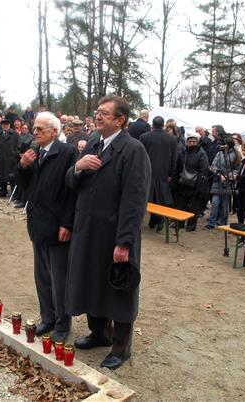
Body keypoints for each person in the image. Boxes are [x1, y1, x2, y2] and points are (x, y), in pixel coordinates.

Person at [65, 95, 151, 370]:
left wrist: (124, 242)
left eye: (104, 113)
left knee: (118, 289)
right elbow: (71, 184)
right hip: (88, 230)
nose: (98, 116)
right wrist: (78, 167)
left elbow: (135, 201)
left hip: (114, 235)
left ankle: (121, 348)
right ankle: (99, 333)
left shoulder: (133, 150)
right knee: (91, 282)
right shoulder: (92, 143)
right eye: (97, 112)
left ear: (120, 120)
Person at [16, 112, 78, 343]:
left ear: (54, 131)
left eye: (40, 129)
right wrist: (22, 166)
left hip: (58, 225)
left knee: (59, 279)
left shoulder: (67, 152)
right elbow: (24, 188)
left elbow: (72, 191)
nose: (35, 133)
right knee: (42, 276)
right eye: (34, 129)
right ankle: (48, 317)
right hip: (38, 223)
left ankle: (63, 323)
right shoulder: (35, 153)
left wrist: (67, 223)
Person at [139, 116, 177, 231]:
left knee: (148, 197)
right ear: (163, 125)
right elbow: (174, 158)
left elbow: (140, 156)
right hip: (163, 172)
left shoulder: (144, 137)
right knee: (160, 197)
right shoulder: (172, 139)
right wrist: (171, 173)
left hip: (148, 171)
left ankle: (154, 220)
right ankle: (157, 220)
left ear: (153, 125)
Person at [172, 132, 209, 231]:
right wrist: (175, 181)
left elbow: (203, 171)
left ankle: (191, 225)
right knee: (180, 205)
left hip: (195, 184)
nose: (192, 143)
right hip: (182, 183)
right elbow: (177, 167)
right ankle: (179, 223)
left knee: (194, 207)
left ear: (197, 142)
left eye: (194, 141)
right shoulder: (183, 151)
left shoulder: (202, 154)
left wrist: (199, 187)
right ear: (187, 142)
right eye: (190, 141)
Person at [205, 136, 241, 229]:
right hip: (217, 181)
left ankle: (224, 221)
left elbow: (237, 169)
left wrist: (228, 176)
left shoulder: (236, 154)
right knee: (215, 202)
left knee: (225, 204)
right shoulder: (219, 153)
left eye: (225, 144)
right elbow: (213, 165)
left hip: (228, 183)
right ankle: (212, 222)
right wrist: (219, 174)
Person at [0, 119, 19, 198]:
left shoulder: (15, 134)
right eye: (3, 124)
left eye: (7, 124)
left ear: (9, 125)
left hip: (11, 158)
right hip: (1, 157)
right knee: (2, 175)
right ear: (1, 125)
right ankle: (3, 191)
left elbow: (18, 146)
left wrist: (14, 154)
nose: (5, 126)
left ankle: (13, 194)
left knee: (12, 177)